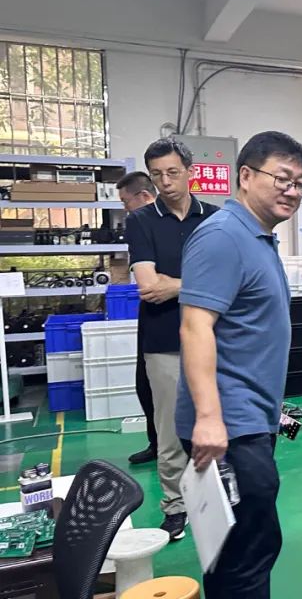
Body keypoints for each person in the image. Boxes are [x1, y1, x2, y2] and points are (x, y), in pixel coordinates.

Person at [176, 131, 302, 598]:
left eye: (300, 183)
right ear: (246, 176)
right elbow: (195, 327)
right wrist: (210, 418)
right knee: (247, 553)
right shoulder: (222, 237)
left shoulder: (258, 236)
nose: (292, 190)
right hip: (229, 425)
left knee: (238, 548)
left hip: (249, 416)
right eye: (282, 178)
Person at [125, 138, 219, 541]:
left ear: (190, 172)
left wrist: (176, 284)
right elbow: (149, 287)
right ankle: (176, 506)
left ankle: (216, 499)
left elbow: (230, 280)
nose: (165, 181)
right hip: (164, 340)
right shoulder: (141, 220)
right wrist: (202, 285)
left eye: (173, 172)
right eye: (157, 174)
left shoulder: (215, 219)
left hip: (213, 337)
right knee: (169, 430)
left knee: (216, 421)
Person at [116, 171, 158, 466]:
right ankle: (157, 442)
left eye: (125, 202)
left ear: (143, 196)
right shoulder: (139, 225)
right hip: (151, 312)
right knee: (144, 383)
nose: (124, 209)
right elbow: (149, 285)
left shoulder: (155, 223)